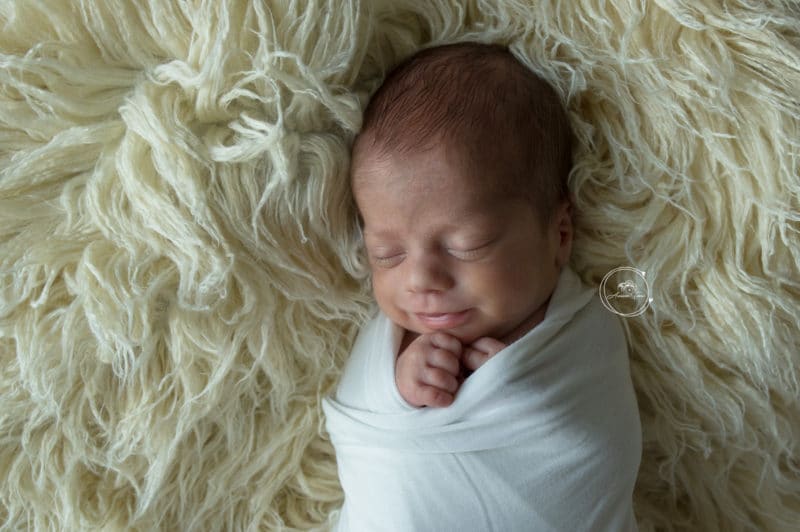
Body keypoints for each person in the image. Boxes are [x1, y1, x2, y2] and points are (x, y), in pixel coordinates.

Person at [323, 42, 641, 532]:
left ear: (558, 235)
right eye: (388, 254)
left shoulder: (584, 333)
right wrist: (405, 386)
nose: (421, 280)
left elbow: (594, 445)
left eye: (467, 245)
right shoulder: (394, 336)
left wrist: (519, 398)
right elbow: (367, 423)